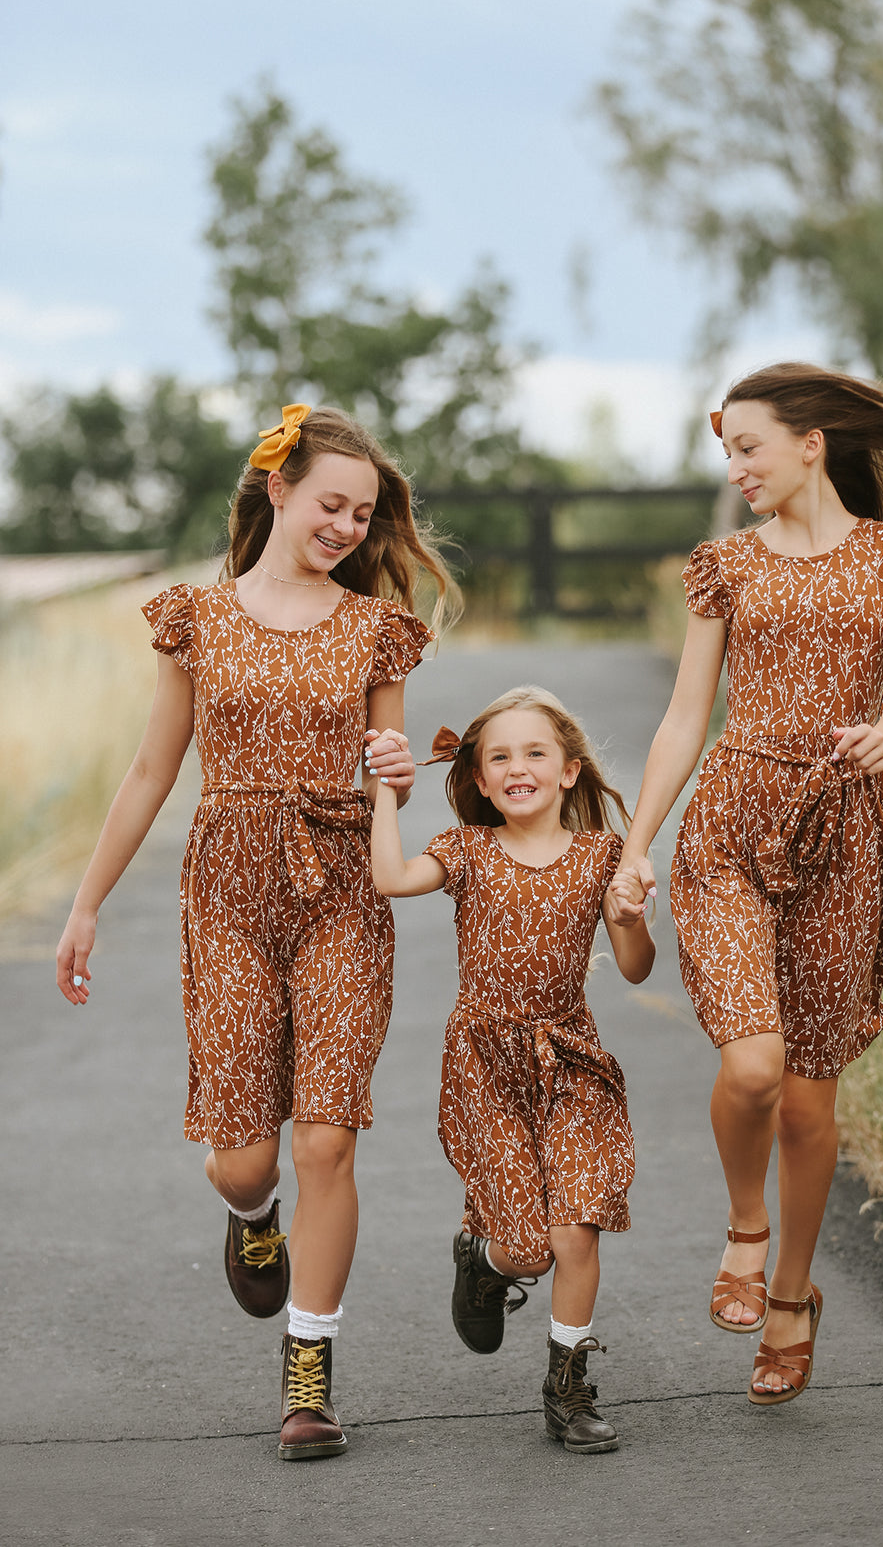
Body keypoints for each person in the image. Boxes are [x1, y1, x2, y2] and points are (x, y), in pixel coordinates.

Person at [55, 403, 458, 1460]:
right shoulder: (194, 616)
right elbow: (152, 771)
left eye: (365, 515)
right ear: (277, 489)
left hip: (341, 892)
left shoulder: (378, 629)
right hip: (227, 888)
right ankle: (253, 1211)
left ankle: (309, 1370)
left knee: (330, 1132)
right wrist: (87, 902)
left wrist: (396, 778)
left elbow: (391, 772)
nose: (348, 527)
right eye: (332, 504)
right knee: (243, 1160)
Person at [609, 363, 883, 1407]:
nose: (737, 467)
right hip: (731, 830)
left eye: (749, 447)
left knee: (807, 1104)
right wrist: (637, 843)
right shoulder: (724, 568)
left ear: (810, 444)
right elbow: (687, 717)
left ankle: (791, 1296)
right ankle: (747, 1231)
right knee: (753, 1069)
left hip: (840, 840)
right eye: (727, 451)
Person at [370, 686, 654, 1453]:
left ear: (569, 771)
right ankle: (483, 1259)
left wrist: (629, 917)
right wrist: (384, 798)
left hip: (572, 1061)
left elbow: (634, 969)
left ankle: (567, 1386)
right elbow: (392, 881)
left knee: (577, 1230)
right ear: (481, 779)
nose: (517, 767)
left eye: (535, 753)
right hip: (486, 1064)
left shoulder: (602, 857)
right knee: (528, 1247)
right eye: (500, 757)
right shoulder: (466, 849)